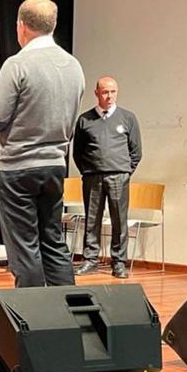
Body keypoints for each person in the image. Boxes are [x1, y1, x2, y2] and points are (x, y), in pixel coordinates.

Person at [0, 0, 85, 288]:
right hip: (54, 164)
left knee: (25, 250)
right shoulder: (73, 65)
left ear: (21, 26)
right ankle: (67, 317)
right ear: (53, 25)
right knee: (53, 242)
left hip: (16, 166)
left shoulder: (17, 64)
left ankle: (33, 324)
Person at [73, 76, 142, 279]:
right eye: (105, 92)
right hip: (92, 177)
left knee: (119, 220)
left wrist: (126, 171)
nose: (109, 96)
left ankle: (118, 262)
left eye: (113, 91)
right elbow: (77, 152)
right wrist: (88, 170)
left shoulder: (128, 118)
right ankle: (90, 260)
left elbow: (136, 151)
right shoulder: (85, 119)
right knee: (91, 219)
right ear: (97, 94)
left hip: (119, 176)